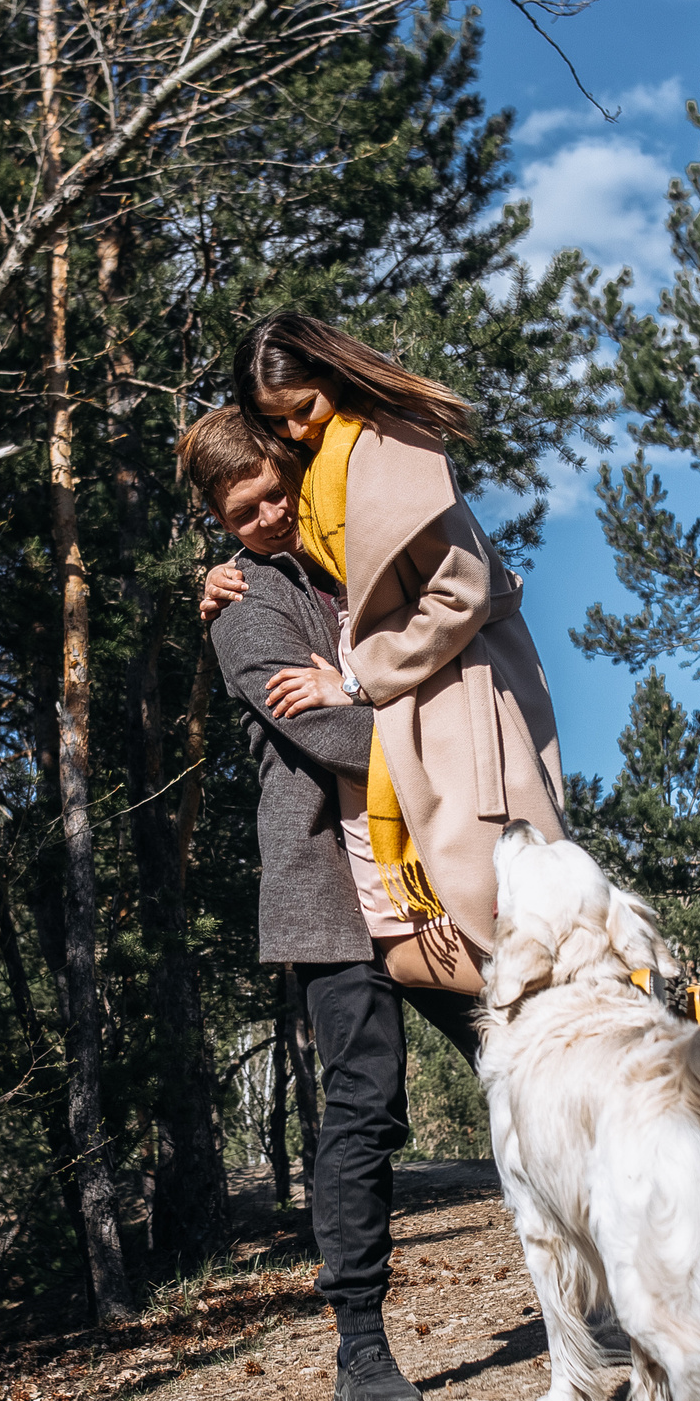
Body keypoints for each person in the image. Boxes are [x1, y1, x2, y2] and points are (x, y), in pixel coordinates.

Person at [181, 405, 485, 1401]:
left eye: (276, 489)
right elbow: (331, 739)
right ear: (218, 520)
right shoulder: (242, 606)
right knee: (366, 1107)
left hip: (430, 868)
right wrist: (430, 731)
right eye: (244, 508)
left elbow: (454, 629)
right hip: (327, 887)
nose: (268, 514)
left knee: (522, 1053)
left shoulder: (356, 558)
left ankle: (603, 1293)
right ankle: (361, 1347)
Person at [199, 313, 568, 996]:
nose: (294, 432)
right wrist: (221, 572)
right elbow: (316, 553)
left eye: (301, 410)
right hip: (419, 693)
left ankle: (623, 995)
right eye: (276, 425)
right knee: (449, 932)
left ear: (332, 374)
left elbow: (462, 594)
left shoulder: (384, 444)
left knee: (517, 912)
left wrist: (356, 679)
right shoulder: (329, 458)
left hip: (452, 696)